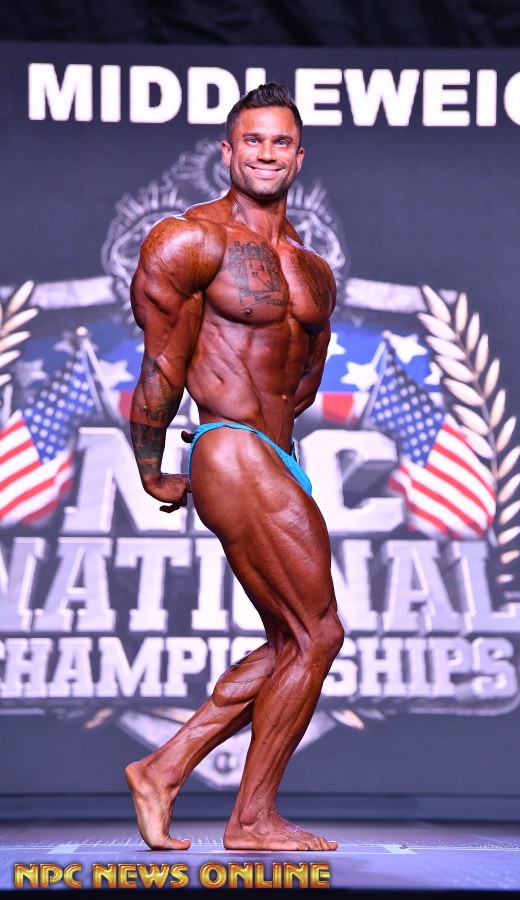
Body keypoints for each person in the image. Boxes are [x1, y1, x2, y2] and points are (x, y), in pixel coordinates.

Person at [124, 83, 343, 852]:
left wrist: (277, 438)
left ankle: (163, 769)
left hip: (280, 455)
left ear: (299, 156)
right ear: (228, 151)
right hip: (229, 444)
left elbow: (305, 377)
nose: (266, 154)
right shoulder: (192, 240)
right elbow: (162, 363)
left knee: (293, 643)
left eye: (281, 142)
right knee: (317, 634)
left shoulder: (312, 269)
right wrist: (152, 463)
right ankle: (251, 818)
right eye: (253, 140)